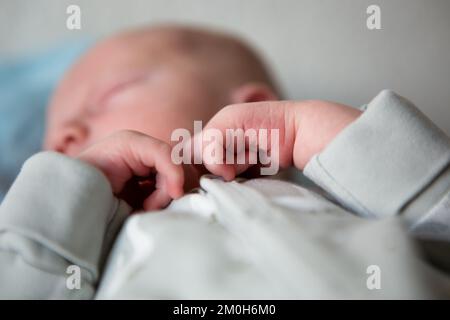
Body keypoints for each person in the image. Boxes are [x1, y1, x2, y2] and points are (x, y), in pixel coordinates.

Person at [0, 25, 449, 299]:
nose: (66, 136)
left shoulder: (350, 196)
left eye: (106, 97)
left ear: (253, 107)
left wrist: (308, 131)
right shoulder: (84, 258)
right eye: (54, 144)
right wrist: (66, 191)